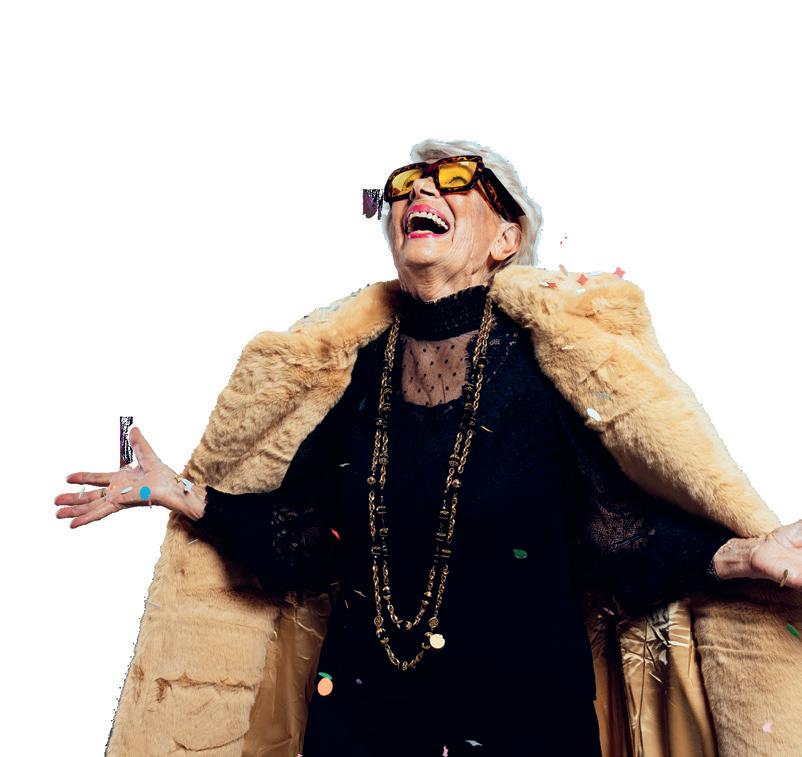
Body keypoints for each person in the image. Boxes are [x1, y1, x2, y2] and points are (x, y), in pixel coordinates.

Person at [57, 139, 802, 756]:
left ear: (506, 239)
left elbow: (613, 535)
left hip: (522, 724)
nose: (420, 190)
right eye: (406, 183)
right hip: (362, 720)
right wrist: (181, 493)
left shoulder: (549, 366)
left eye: (454, 179)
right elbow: (305, 540)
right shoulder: (354, 370)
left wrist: (743, 555)